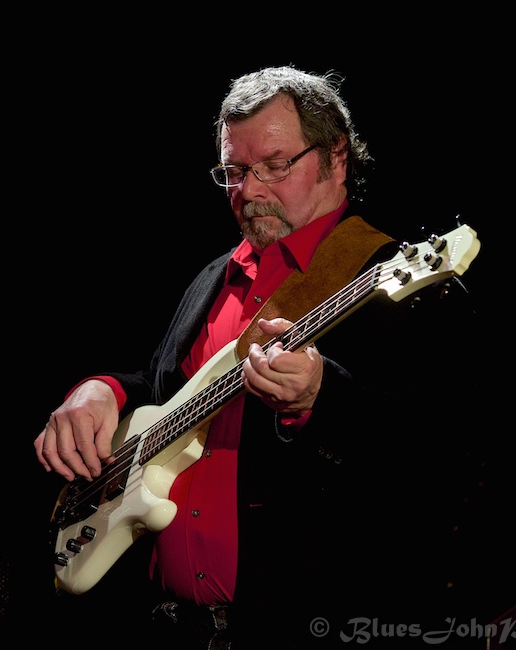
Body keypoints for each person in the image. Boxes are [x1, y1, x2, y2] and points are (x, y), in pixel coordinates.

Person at [34, 65, 481, 648]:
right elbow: (163, 390)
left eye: (275, 165)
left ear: (336, 157)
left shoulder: (394, 281)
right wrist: (101, 390)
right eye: (235, 171)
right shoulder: (214, 277)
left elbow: (443, 459)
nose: (249, 191)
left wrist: (321, 396)